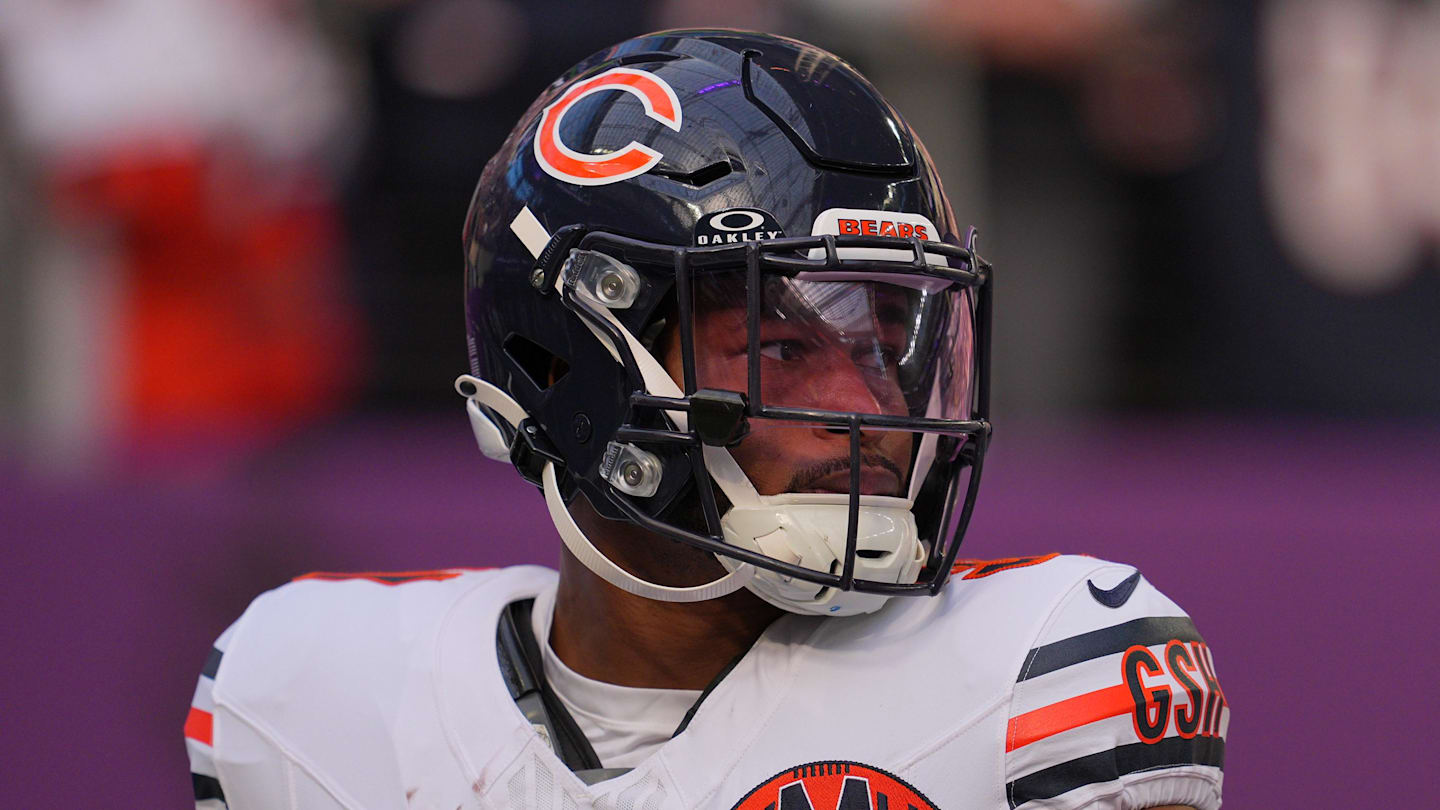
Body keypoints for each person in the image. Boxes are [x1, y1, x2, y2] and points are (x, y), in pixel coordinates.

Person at [184, 30, 1227, 810]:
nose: (871, 413)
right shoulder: (306, 697)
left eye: (885, 347)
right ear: (569, 366)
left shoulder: (1045, 684)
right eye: (783, 350)